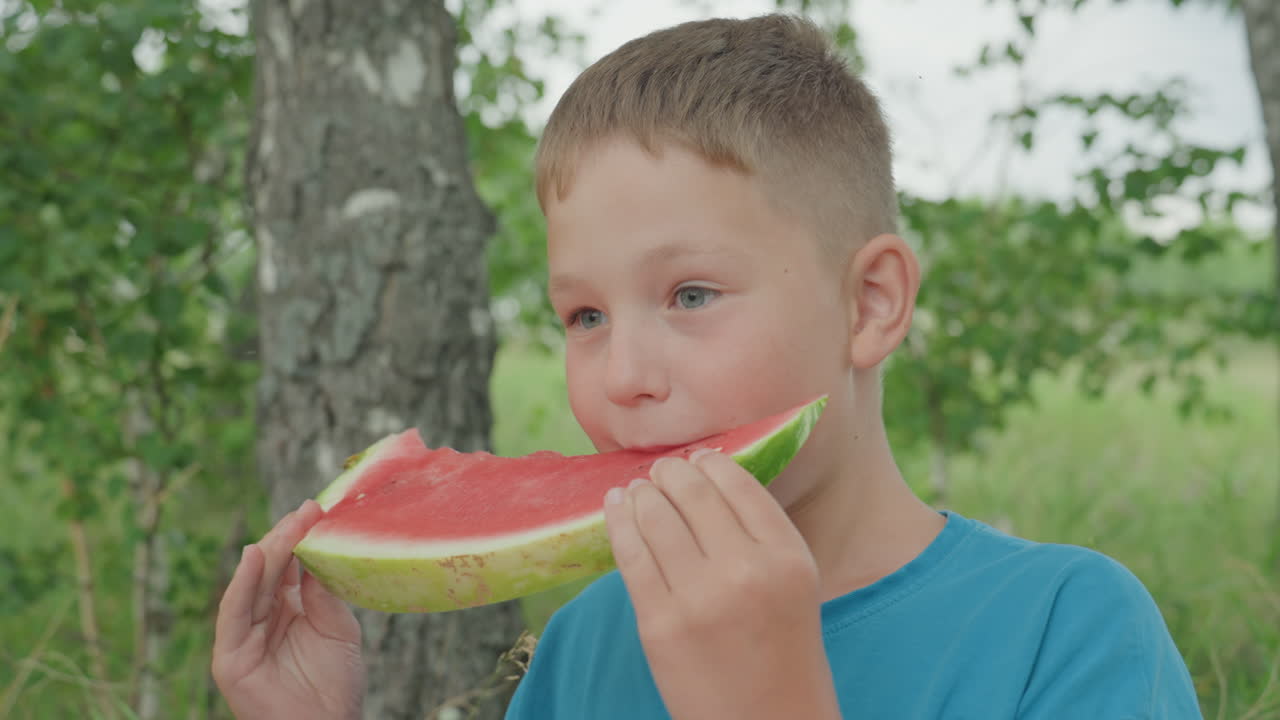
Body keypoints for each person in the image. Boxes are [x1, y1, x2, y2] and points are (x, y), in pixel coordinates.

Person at [212, 13, 1203, 719]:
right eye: (584, 315)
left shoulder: (1064, 628)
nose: (622, 374)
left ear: (868, 304)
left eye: (689, 295)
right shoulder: (583, 644)